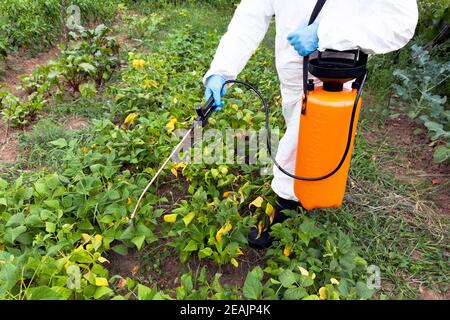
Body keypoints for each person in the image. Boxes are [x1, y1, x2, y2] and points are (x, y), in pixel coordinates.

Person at [203, 0, 419, 248]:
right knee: (305, 142)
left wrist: (325, 32)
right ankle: (305, 190)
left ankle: (285, 209)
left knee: (299, 144)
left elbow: (400, 24)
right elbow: (250, 17)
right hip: (292, 74)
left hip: (335, 73)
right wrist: (221, 71)